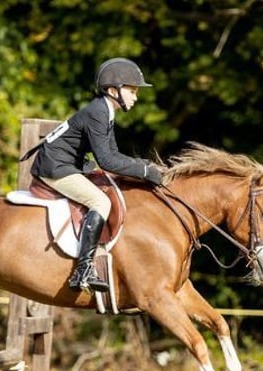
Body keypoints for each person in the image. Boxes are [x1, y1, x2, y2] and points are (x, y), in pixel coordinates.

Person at [26, 57, 164, 293]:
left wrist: (142, 164)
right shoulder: (98, 112)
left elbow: (112, 153)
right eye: (132, 91)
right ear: (113, 91)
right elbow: (108, 161)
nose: (136, 96)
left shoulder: (105, 110)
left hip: (71, 163)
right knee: (100, 201)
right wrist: (143, 171)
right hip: (55, 167)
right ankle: (84, 268)